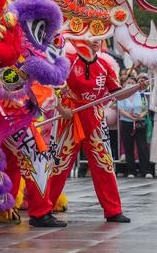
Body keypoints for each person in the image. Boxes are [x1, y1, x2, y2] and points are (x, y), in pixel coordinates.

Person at [27, 41, 138, 227]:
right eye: (90, 36)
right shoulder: (67, 61)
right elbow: (53, 88)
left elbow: (116, 93)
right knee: (58, 165)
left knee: (104, 163)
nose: (95, 41)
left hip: (94, 117)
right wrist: (61, 109)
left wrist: (137, 88)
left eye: (98, 38)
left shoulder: (105, 65)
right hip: (69, 118)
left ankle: (113, 211)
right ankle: (43, 211)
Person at [117, 75, 151, 178]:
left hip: (139, 122)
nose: (131, 85)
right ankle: (131, 171)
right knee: (128, 147)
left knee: (142, 147)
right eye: (129, 83)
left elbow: (146, 108)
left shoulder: (140, 94)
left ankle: (146, 170)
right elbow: (121, 110)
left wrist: (140, 115)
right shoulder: (121, 95)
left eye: (133, 83)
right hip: (127, 122)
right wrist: (131, 117)